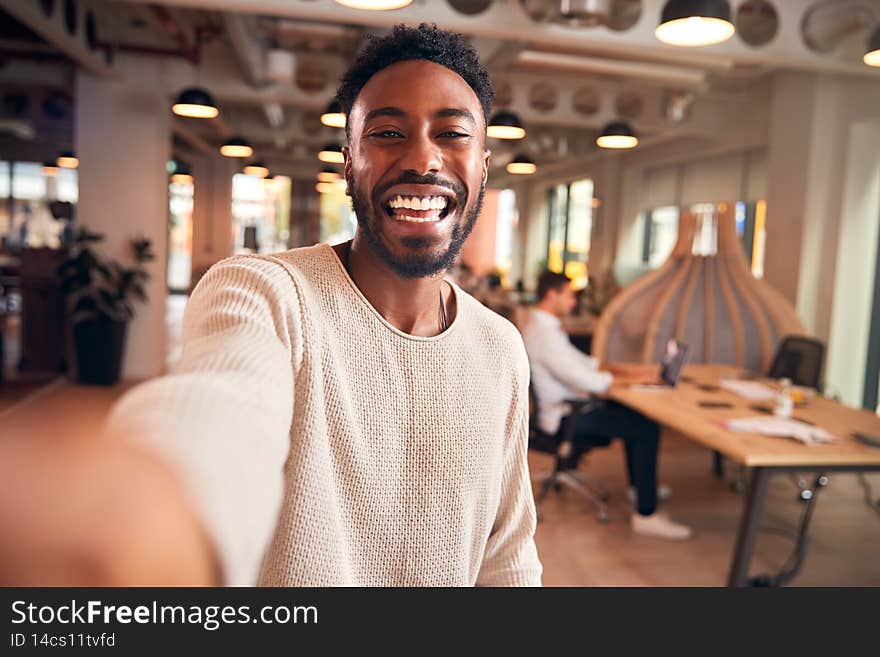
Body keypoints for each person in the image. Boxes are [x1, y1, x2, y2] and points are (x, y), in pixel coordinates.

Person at [0, 24, 542, 587]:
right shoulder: (266, 294)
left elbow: (508, 552)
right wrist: (158, 506)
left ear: (483, 165)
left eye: (452, 133)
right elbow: (221, 411)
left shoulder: (500, 347)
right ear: (349, 163)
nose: (423, 158)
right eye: (386, 132)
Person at [521, 270, 692, 541]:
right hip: (567, 416)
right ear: (552, 295)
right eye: (569, 296)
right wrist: (628, 381)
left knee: (635, 417)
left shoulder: (544, 327)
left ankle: (641, 488)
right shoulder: (544, 334)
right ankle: (646, 514)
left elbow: (585, 364)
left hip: (571, 408)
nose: (574, 302)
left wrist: (629, 373)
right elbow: (589, 380)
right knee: (645, 427)